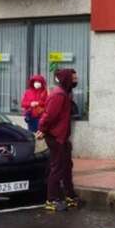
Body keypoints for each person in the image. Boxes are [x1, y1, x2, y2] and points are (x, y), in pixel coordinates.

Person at [35, 69, 80, 212]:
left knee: (67, 166)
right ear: (67, 79)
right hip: (56, 137)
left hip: (62, 137)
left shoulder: (65, 93)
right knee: (57, 168)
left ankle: (70, 196)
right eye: (73, 78)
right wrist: (42, 129)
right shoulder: (59, 95)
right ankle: (51, 200)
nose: (76, 80)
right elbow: (48, 115)